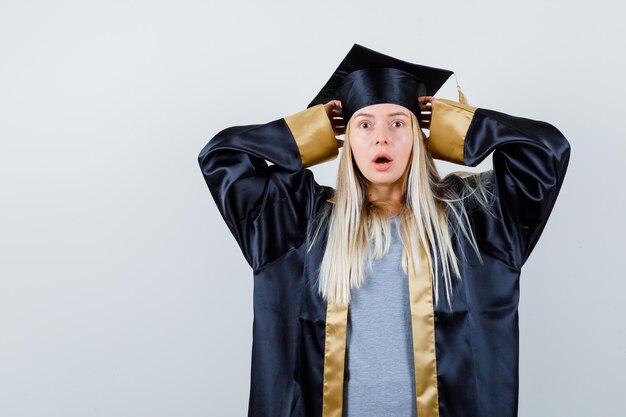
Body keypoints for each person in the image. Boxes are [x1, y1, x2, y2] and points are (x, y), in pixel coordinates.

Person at [197, 44, 571, 417]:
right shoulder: (298, 224)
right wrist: (312, 132)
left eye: (397, 123)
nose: (381, 138)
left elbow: (546, 152)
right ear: (345, 138)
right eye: (364, 124)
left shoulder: (474, 219)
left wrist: (453, 127)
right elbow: (221, 157)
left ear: (419, 135)